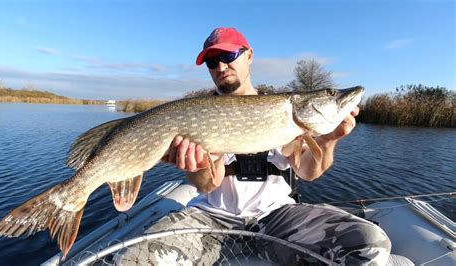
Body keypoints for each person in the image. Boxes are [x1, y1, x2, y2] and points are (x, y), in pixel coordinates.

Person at [141, 27, 391, 265]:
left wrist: (328, 139)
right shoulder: (199, 114)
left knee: (371, 244)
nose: (221, 66)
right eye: (212, 61)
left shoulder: (288, 112)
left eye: (228, 55)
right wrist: (194, 164)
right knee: (138, 258)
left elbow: (308, 172)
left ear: (249, 55)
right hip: (211, 217)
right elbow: (208, 184)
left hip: (276, 218)